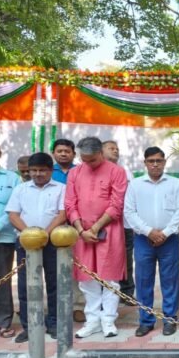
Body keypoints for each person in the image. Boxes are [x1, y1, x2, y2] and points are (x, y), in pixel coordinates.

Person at [64, 137, 128, 338]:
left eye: (92, 160)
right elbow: (70, 203)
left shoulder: (117, 172)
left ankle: (108, 320)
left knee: (110, 278)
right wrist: (81, 230)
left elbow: (117, 204)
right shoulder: (75, 172)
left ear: (101, 153)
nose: (88, 164)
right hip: (82, 233)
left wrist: (96, 227)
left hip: (109, 230)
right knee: (86, 279)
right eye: (84, 160)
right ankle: (92, 321)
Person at [125, 147, 179, 336]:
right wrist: (149, 232)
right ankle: (146, 321)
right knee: (143, 281)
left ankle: (170, 320)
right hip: (143, 240)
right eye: (151, 161)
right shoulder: (135, 185)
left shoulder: (175, 184)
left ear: (164, 162)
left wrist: (165, 233)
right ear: (145, 163)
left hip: (169, 240)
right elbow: (129, 212)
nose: (155, 164)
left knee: (170, 280)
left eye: (158, 161)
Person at [6, 152, 65, 343]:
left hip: (52, 242)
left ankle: (54, 324)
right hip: (26, 243)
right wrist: (30, 235)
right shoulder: (21, 189)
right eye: (33, 170)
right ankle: (30, 326)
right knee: (26, 286)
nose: (37, 174)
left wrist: (45, 234)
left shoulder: (61, 188)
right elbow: (13, 215)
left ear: (50, 170)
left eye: (42, 170)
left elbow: (63, 214)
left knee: (54, 285)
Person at [51, 138, 85, 323]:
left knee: (77, 267)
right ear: (53, 153)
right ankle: (57, 306)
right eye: (60, 151)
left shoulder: (81, 171)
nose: (63, 154)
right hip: (53, 227)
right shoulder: (48, 171)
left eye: (67, 151)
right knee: (54, 268)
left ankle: (78, 306)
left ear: (73, 154)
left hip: (76, 226)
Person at [102, 140, 135, 303]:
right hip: (103, 223)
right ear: (101, 152)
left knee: (126, 259)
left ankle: (127, 293)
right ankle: (104, 294)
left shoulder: (126, 172)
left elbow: (132, 197)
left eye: (117, 148)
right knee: (104, 260)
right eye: (111, 148)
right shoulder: (97, 171)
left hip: (125, 223)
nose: (115, 151)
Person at [0, 141, 20, 339]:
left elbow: (13, 207)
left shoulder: (13, 178)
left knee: (2, 280)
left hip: (3, 237)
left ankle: (3, 322)